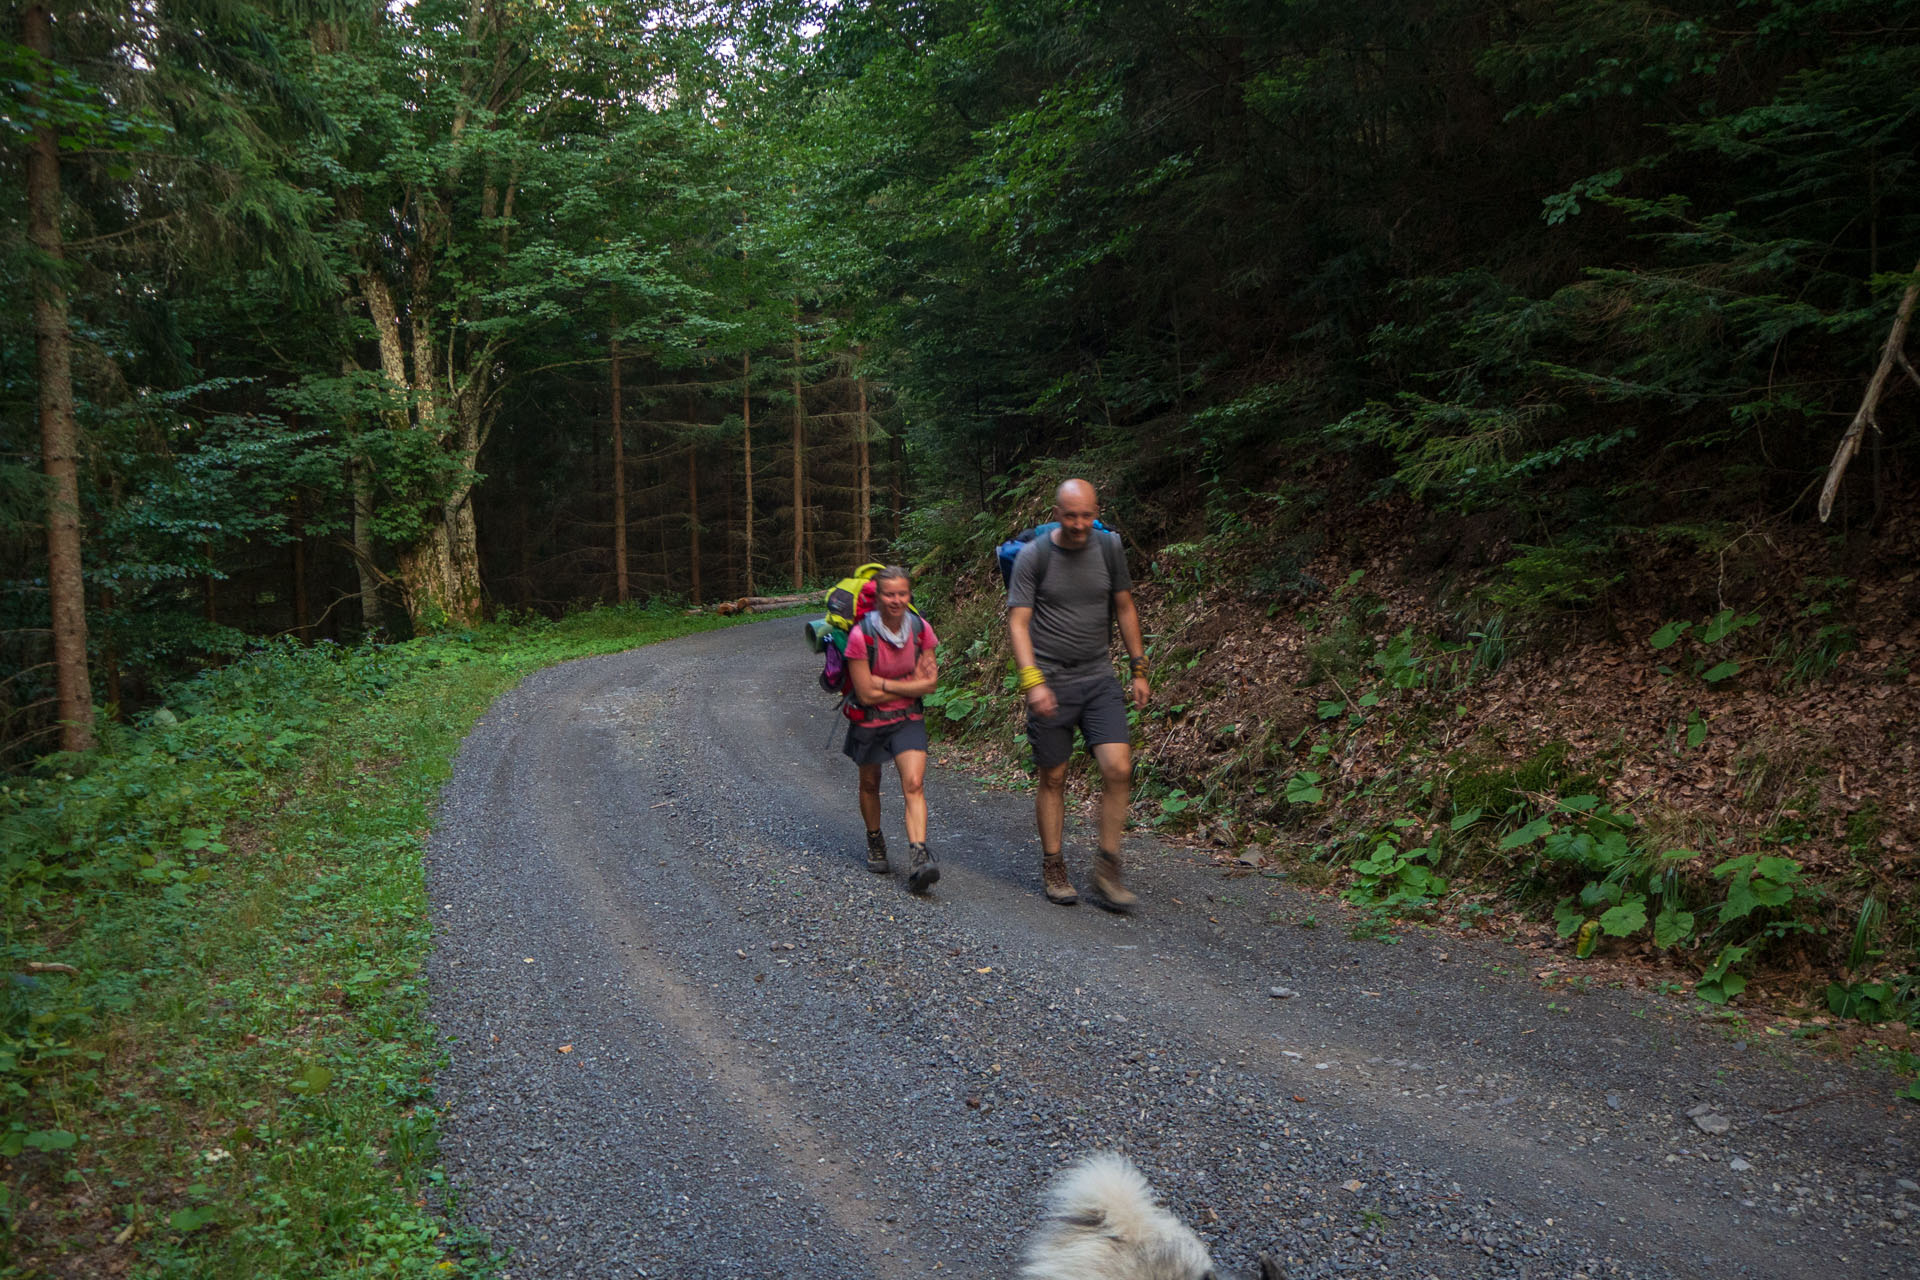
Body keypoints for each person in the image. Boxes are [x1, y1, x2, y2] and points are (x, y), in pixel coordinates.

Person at [1006, 479, 1150, 910]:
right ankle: (1054, 864)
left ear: (1096, 510)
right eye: (1071, 515)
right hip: (1050, 680)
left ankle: (1107, 866)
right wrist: (1033, 682)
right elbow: (1017, 622)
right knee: (1053, 776)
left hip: (1098, 677)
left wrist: (1138, 668)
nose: (1079, 524)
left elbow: (1124, 607)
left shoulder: (1109, 548)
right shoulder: (1035, 557)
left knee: (1119, 767)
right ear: (1056, 512)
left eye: (1086, 515)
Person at [843, 566, 942, 893]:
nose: (896, 600)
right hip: (868, 719)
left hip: (907, 718)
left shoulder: (920, 629)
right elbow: (865, 693)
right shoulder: (861, 636)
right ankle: (875, 839)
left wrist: (884, 682)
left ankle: (918, 856)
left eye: (902, 594)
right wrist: (906, 684)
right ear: (878, 598)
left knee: (913, 783)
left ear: (909, 595)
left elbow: (930, 685)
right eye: (889, 594)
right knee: (870, 783)